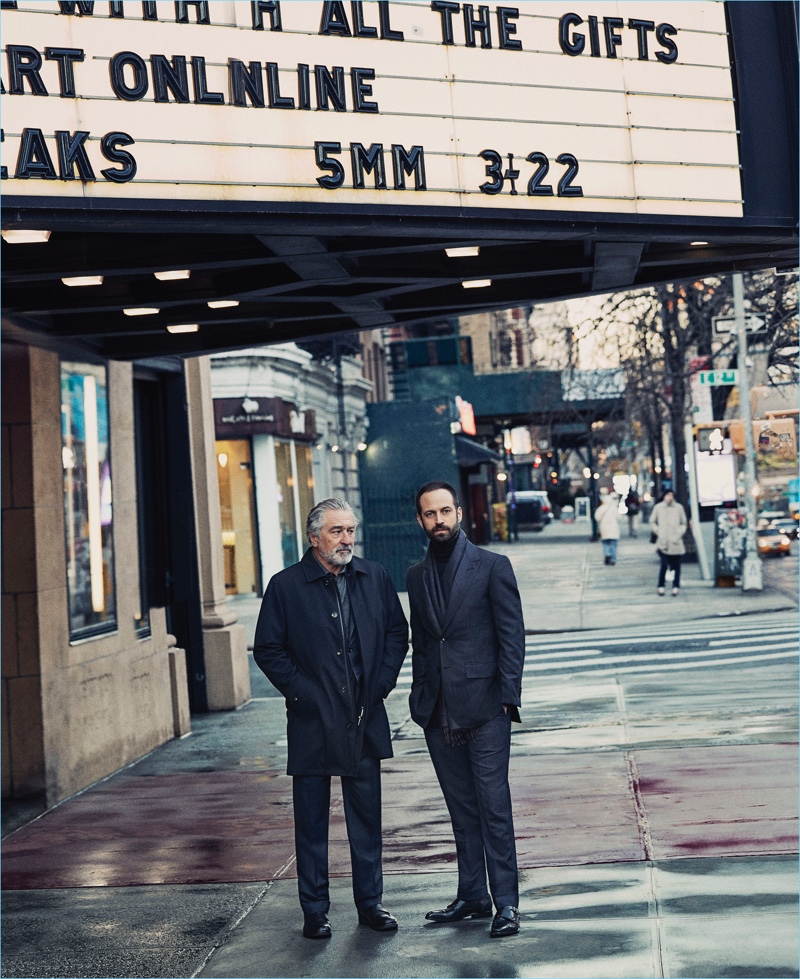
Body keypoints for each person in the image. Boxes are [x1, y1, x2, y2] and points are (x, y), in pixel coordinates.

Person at [253, 499, 408, 939]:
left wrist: (380, 684)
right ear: (314, 537)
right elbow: (268, 648)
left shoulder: (373, 576)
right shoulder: (285, 586)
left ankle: (371, 904)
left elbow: (398, 632)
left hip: (363, 716)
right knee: (312, 823)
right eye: (337, 531)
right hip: (312, 720)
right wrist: (303, 694)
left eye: (351, 530)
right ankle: (314, 910)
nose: (347, 540)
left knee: (367, 818)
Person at [406, 481, 525, 939]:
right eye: (430, 514)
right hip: (438, 711)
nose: (439, 521)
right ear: (421, 521)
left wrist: (507, 695)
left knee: (493, 806)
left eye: (445, 511)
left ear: (459, 513)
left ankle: (507, 902)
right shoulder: (416, 576)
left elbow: (512, 635)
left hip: (485, 708)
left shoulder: (492, 566)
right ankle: (473, 895)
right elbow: (422, 641)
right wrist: (420, 698)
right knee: (460, 810)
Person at [649, 489, 688, 596]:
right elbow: (652, 521)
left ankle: (676, 586)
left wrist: (679, 532)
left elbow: (684, 522)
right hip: (663, 542)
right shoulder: (658, 507)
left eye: (672, 495)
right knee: (664, 565)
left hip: (676, 542)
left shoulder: (679, 508)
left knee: (676, 566)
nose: (670, 497)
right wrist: (658, 531)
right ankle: (660, 586)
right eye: (668, 495)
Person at [595, 490, 621, 565]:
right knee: (613, 544)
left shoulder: (601, 508)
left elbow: (597, 517)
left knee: (605, 543)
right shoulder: (614, 508)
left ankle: (607, 554)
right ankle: (613, 559)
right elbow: (619, 518)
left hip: (604, 529)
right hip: (614, 530)